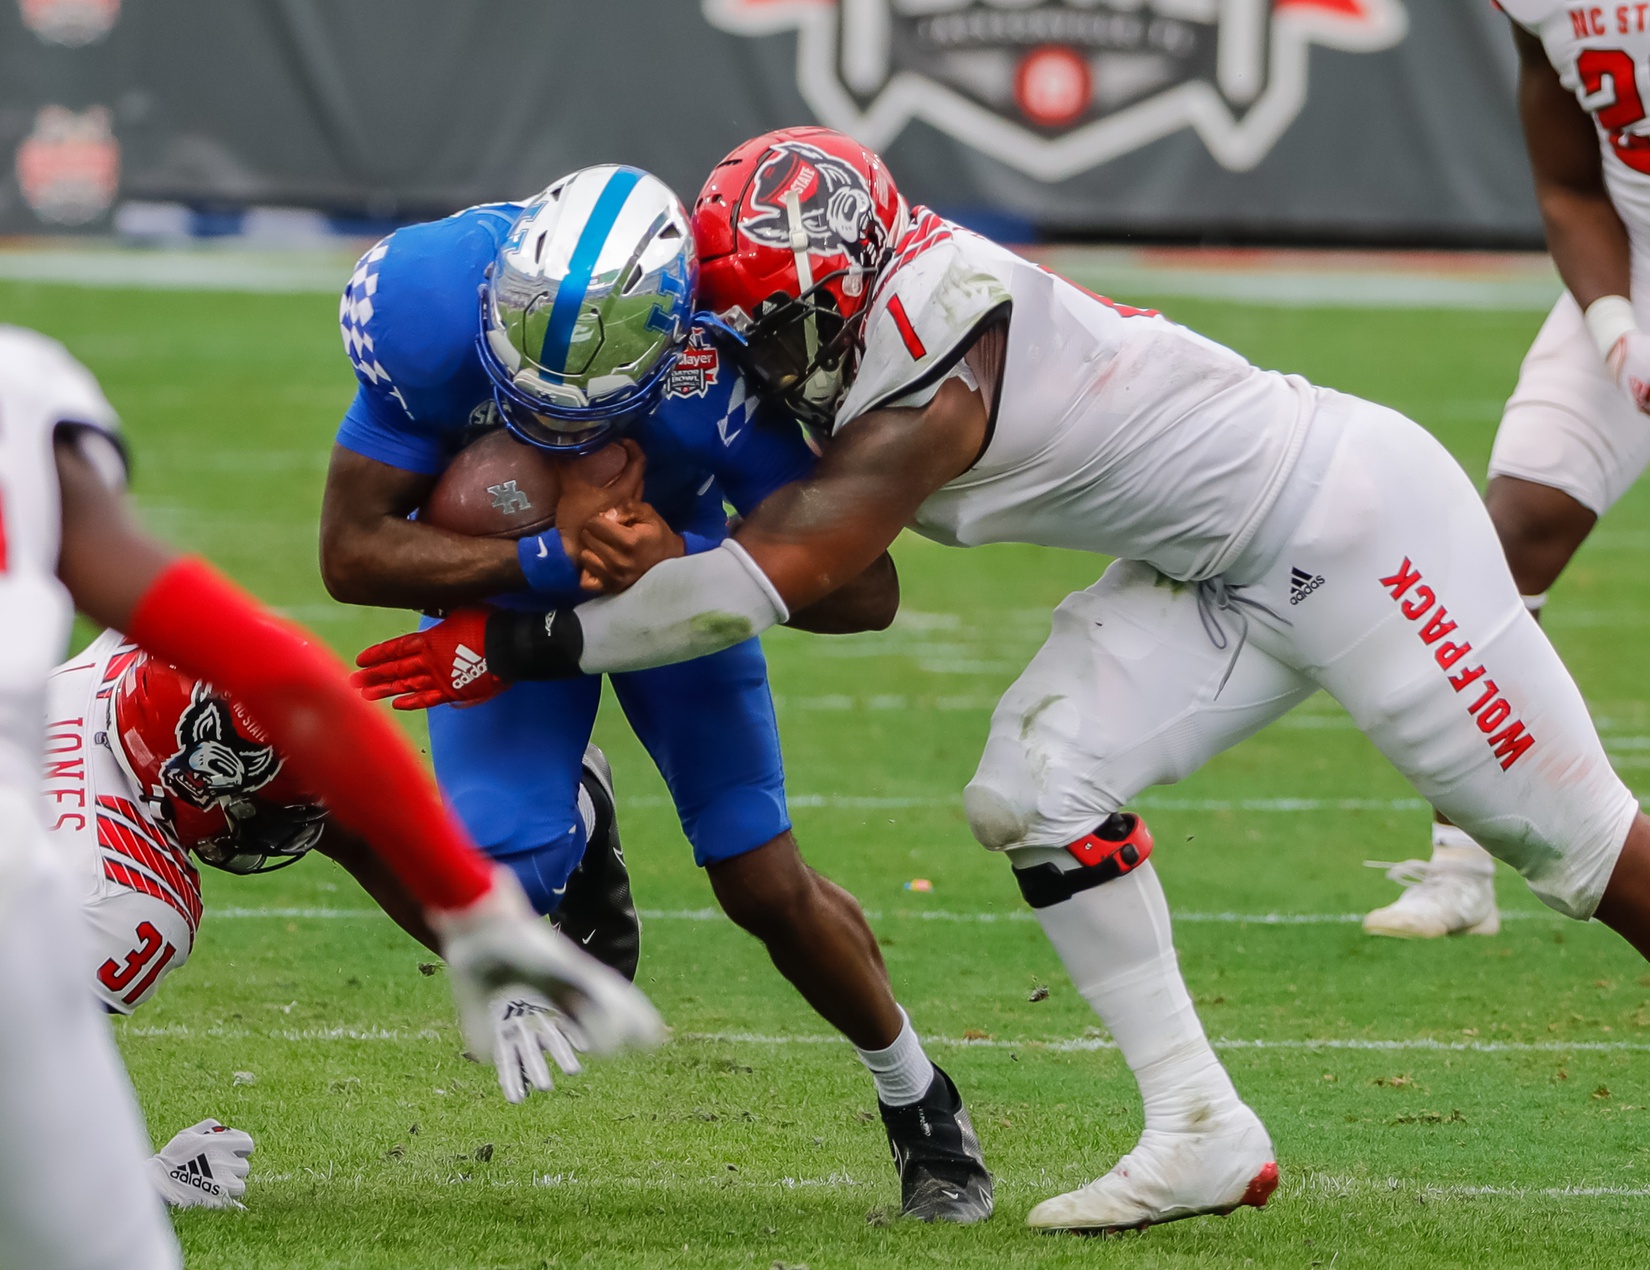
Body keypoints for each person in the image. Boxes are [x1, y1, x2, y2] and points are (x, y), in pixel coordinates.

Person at [358, 127, 1650, 1234]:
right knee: (1032, 786)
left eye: (777, 325)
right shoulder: (858, 278)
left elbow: (764, 586)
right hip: (1214, 566)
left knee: (1587, 854)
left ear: (846, 287)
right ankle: (1196, 1122)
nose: (755, 350)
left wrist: (513, 641)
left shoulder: (929, 369)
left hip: (1354, 528)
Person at [320, 165, 991, 1222]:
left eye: (574, 420)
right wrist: (551, 557)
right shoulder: (424, 301)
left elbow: (869, 590)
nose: (543, 432)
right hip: (516, 604)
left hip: (679, 600)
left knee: (759, 877)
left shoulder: (714, 370)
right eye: (523, 404)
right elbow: (351, 554)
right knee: (495, 886)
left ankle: (922, 1107)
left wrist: (683, 549)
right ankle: (578, 828)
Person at [0, 324, 658, 1268]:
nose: (288, 832)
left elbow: (345, 827)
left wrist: (477, 927)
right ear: (186, 781)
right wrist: (131, 1182)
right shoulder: (121, 890)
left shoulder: (120, 689)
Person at [41, 634, 632, 1210]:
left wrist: (495, 945)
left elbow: (355, 835)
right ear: (195, 783)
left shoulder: (135, 670)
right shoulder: (120, 896)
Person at [1366, 2, 1650, 937]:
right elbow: (1571, 185)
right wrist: (1616, 333)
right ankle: (1460, 866)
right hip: (1636, 269)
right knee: (1501, 543)